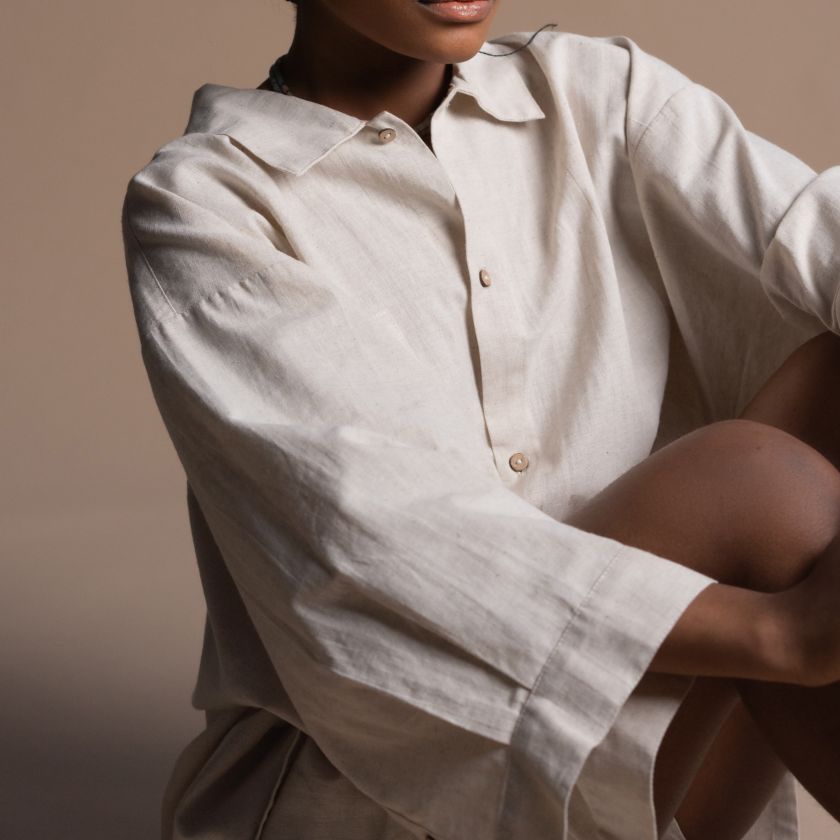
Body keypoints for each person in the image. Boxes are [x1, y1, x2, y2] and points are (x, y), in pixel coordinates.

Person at [120, 1, 840, 838]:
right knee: (752, 486)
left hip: (640, 760)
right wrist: (783, 635)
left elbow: (818, 234)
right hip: (376, 782)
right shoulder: (208, 205)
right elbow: (378, 539)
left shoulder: (595, 92)